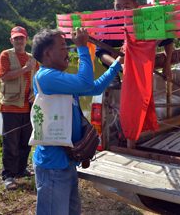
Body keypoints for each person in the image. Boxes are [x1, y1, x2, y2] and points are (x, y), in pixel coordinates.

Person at [31, 28, 123, 215]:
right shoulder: (46, 76)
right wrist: (82, 47)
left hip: (66, 161)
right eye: (63, 47)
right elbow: (86, 83)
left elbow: (94, 88)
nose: (68, 51)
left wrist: (117, 64)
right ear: (48, 53)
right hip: (53, 164)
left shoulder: (59, 79)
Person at [95, 0, 175, 87]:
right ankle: (114, 76)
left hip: (140, 60)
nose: (122, 11)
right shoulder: (106, 24)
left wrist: (167, 65)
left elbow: (168, 40)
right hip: (116, 62)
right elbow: (101, 53)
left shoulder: (147, 21)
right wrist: (119, 66)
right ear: (113, 5)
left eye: (127, 7)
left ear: (136, 6)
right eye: (118, 7)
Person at [0, 26, 38, 190]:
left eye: (22, 38)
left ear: (26, 39)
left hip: (29, 107)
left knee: (26, 141)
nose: (19, 41)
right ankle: (8, 176)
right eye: (16, 38)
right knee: (10, 143)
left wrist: (36, 93)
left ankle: (21, 170)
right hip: (10, 106)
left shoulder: (32, 58)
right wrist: (24, 70)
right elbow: (4, 76)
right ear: (11, 40)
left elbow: (38, 79)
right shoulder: (6, 55)